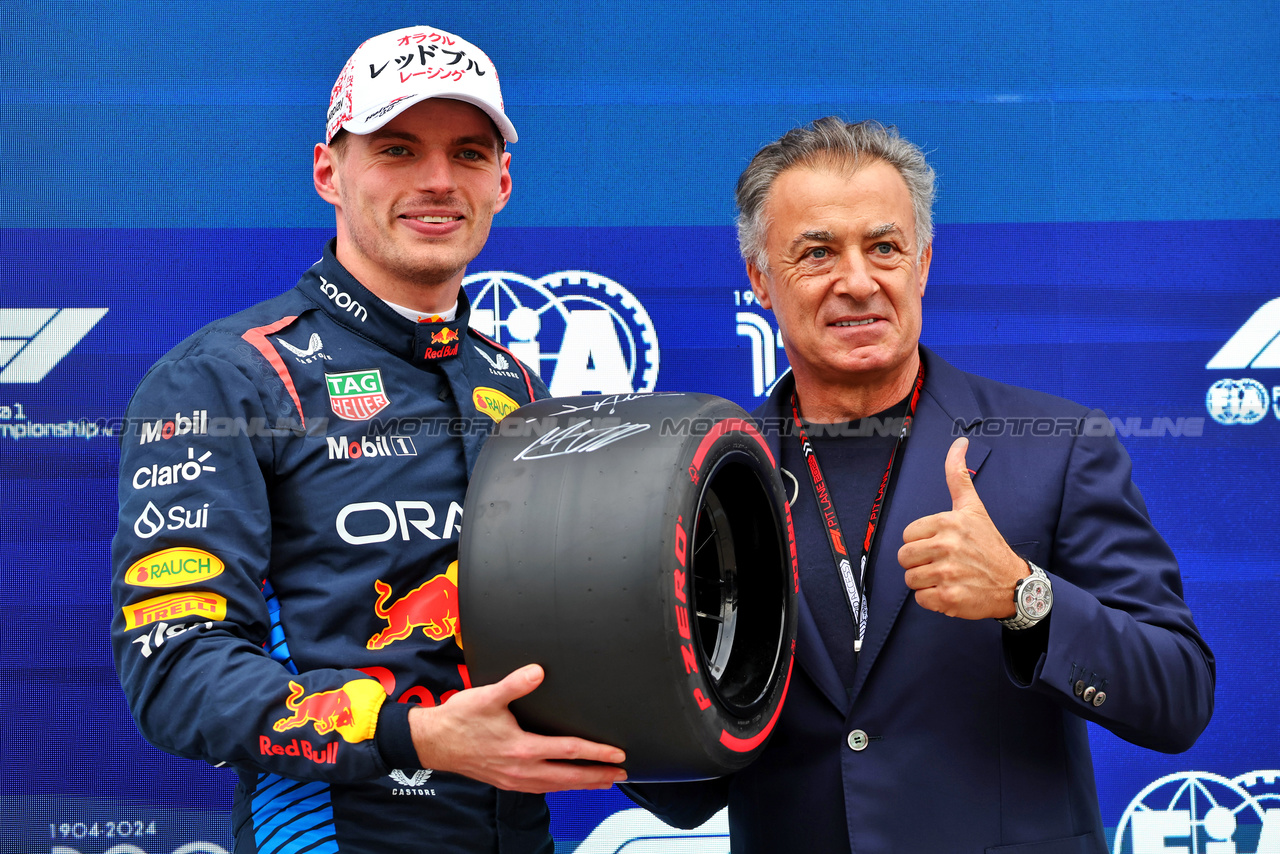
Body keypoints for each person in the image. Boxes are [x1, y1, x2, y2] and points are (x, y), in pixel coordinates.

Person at [623, 118, 1214, 853]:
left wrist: (1027, 598)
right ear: (760, 279)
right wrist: (613, 683)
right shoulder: (699, 482)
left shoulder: (1059, 446)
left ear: (923, 263)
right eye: (816, 253)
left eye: (884, 248)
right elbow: (685, 794)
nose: (858, 281)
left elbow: (1179, 696)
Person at [111, 25, 625, 854]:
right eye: (395, 149)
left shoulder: (517, 387)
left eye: (466, 153)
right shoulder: (227, 379)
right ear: (329, 173)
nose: (436, 181)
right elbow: (176, 670)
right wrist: (414, 736)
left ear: (502, 181)